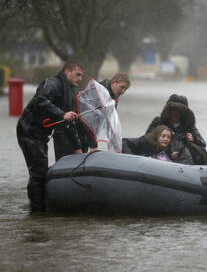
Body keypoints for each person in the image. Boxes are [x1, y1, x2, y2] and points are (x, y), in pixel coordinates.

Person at [17, 60, 84, 211]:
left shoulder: (70, 94)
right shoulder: (52, 83)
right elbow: (40, 101)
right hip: (28, 129)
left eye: (81, 76)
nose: (80, 79)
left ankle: (38, 206)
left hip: (41, 134)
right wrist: (61, 113)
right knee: (39, 172)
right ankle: (37, 210)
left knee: (40, 170)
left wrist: (78, 149)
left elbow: (69, 123)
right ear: (67, 72)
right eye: (77, 74)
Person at [146, 94, 207, 165]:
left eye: (179, 110)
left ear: (184, 112)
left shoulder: (189, 126)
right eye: (173, 110)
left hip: (183, 161)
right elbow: (147, 139)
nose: (175, 113)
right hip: (160, 157)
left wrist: (193, 139)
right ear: (168, 110)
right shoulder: (158, 121)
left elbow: (203, 144)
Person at [78, 73, 131, 153]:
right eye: (122, 87)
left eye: (125, 89)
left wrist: (117, 148)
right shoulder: (99, 94)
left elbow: (111, 121)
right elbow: (90, 119)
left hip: (86, 134)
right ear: (113, 83)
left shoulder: (113, 96)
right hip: (75, 131)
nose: (123, 91)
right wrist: (93, 146)